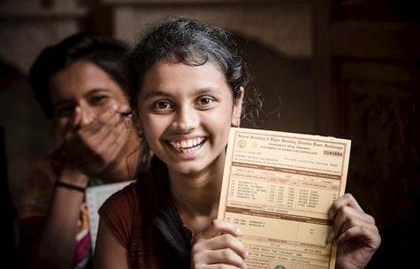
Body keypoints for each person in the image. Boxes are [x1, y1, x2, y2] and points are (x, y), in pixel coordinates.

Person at [94, 18, 381, 269]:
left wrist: (342, 268)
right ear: (138, 116)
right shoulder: (122, 218)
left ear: (236, 106)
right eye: (162, 104)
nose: (184, 123)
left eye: (204, 101)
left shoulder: (312, 210)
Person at [18, 33, 141, 269]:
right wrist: (75, 173)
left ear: (132, 101)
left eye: (97, 99)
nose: (82, 119)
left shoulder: (170, 157)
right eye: (65, 110)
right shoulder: (46, 175)